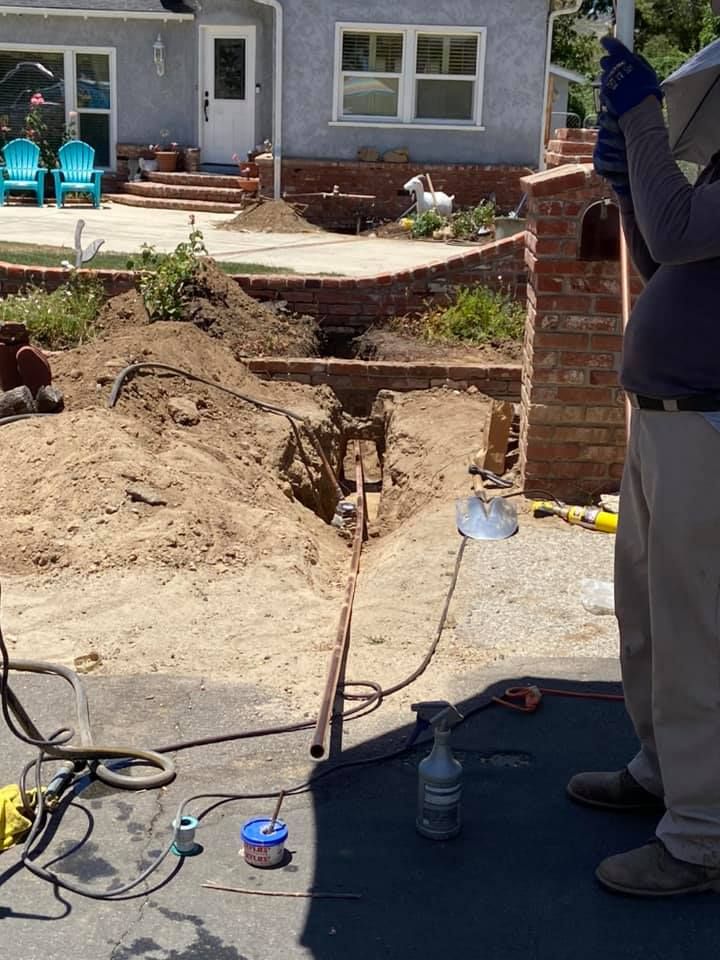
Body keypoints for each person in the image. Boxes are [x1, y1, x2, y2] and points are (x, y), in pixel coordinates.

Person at [567, 34, 720, 897]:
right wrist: (629, 189)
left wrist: (639, 117)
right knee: (652, 622)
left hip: (708, 429)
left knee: (699, 639)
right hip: (668, 424)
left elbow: (677, 227)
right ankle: (665, 775)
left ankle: (703, 841)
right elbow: (665, 255)